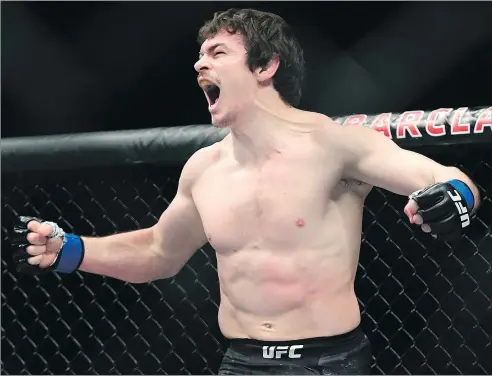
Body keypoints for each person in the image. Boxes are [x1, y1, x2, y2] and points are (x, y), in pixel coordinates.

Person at [12, 8, 481, 375]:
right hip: (239, 362)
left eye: (217, 53)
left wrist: (455, 198)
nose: (199, 62)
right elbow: (159, 252)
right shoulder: (205, 168)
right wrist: (71, 250)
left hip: (326, 363)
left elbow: (446, 176)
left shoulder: (333, 145)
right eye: (200, 54)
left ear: (265, 66)